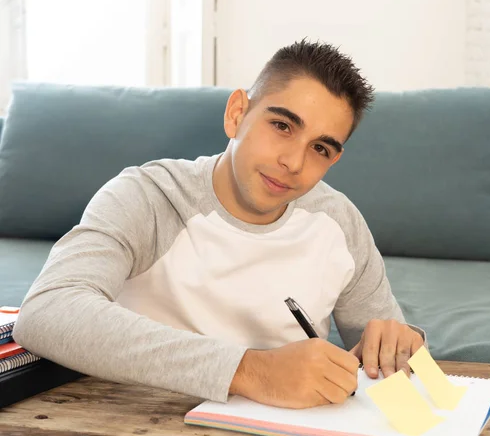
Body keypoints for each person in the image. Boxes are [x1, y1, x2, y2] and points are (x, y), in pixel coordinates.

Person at [13, 39, 424, 409]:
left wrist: (403, 346)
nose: (293, 163)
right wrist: (250, 370)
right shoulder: (149, 195)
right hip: (136, 422)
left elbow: (391, 361)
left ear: (334, 160)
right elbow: (47, 312)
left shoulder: (339, 221)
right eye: (281, 126)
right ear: (237, 113)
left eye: (319, 148)